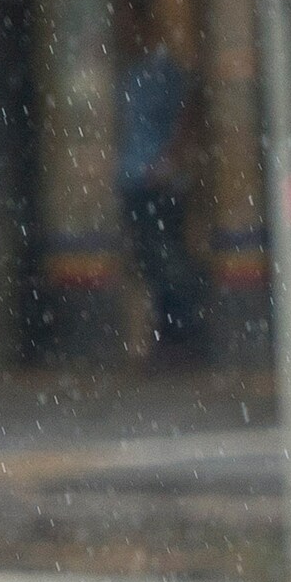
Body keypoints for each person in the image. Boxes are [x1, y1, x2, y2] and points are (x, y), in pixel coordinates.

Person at [118, 42, 201, 360]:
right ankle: (168, 333)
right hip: (139, 178)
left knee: (164, 257)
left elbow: (186, 118)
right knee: (152, 258)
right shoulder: (134, 72)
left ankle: (177, 333)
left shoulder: (164, 72)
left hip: (154, 179)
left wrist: (166, 163)